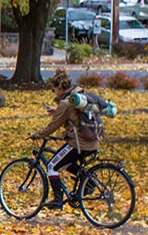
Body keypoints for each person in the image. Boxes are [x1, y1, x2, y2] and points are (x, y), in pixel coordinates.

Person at [29, 70, 101, 208]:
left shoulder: (66, 103)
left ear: (60, 88)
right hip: (91, 143)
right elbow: (73, 117)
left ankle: (57, 199)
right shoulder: (77, 97)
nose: (54, 93)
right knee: (66, 163)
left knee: (51, 166)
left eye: (54, 90)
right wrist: (56, 112)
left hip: (78, 144)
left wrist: (37, 134)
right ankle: (88, 183)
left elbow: (52, 127)